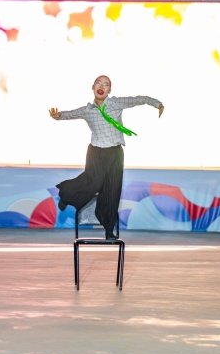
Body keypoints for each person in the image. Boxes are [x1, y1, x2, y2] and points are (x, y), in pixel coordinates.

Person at [49, 75, 164, 240]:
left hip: (114, 154)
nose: (101, 86)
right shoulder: (88, 110)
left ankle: (109, 231)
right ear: (92, 87)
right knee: (93, 182)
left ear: (110, 90)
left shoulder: (116, 103)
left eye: (106, 84)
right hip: (96, 153)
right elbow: (70, 114)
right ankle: (67, 195)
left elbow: (139, 99)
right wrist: (57, 115)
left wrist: (157, 104)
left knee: (111, 192)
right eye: (98, 83)